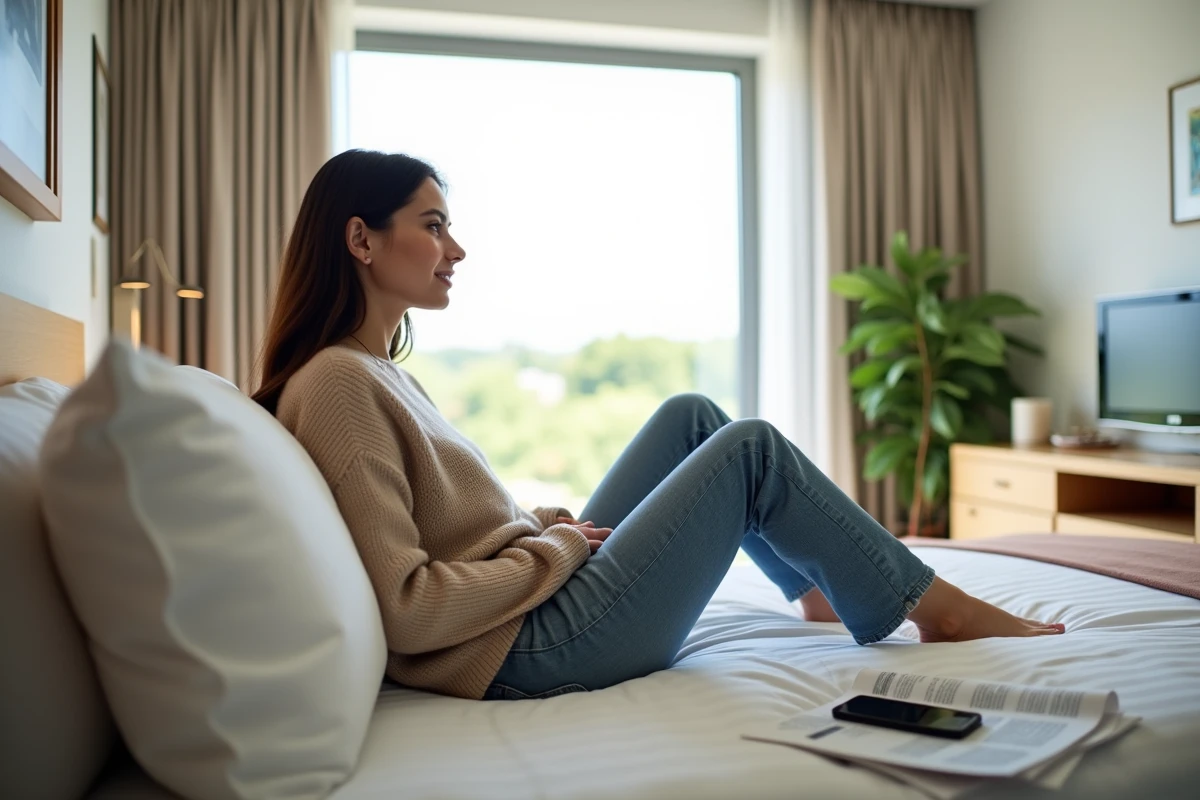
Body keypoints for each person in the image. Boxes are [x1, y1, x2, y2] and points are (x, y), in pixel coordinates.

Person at [252, 150, 1064, 702]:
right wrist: (561, 550)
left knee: (692, 419)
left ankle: (817, 587)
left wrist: (541, 527)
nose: (455, 248)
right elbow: (410, 607)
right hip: (526, 650)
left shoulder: (375, 371)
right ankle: (939, 611)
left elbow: (449, 528)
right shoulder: (336, 386)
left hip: (525, 610)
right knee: (749, 451)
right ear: (361, 238)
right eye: (432, 225)